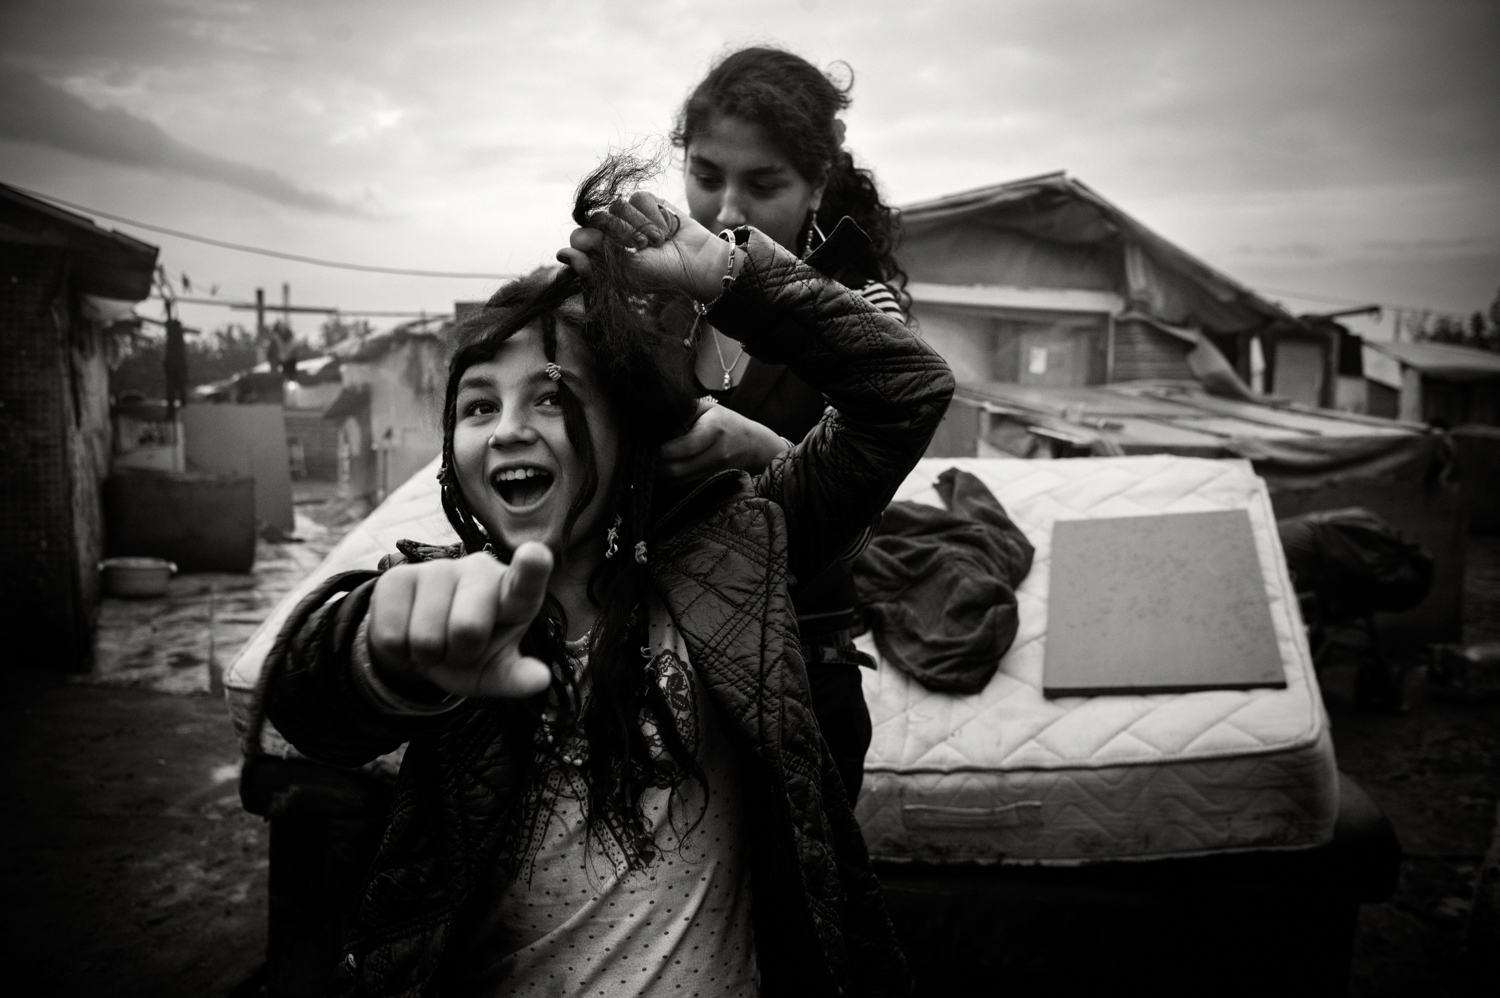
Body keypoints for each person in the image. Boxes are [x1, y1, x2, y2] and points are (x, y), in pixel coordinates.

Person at [259, 165, 954, 995]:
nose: (507, 430)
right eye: (478, 406)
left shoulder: (738, 556)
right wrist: (378, 650)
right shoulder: (449, 602)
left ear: (628, 429)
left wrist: (727, 273)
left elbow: (905, 393)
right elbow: (303, 699)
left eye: (551, 397)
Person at [658, 46, 909, 803]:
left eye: (763, 185)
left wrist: (767, 454)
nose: (727, 212)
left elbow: (866, 517)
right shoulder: (653, 296)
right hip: (656, 669)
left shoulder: (862, 318)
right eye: (706, 177)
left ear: (816, 187)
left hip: (798, 669)